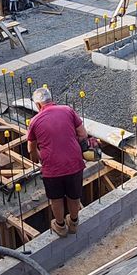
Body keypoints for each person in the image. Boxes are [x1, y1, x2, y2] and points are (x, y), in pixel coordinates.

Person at [26, 87, 89, 237]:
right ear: (51, 100)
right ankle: (73, 223)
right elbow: (83, 134)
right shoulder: (67, 110)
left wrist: (41, 158)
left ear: (38, 105)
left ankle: (60, 226)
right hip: (74, 163)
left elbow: (31, 149)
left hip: (52, 168)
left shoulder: (34, 121)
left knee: (56, 198)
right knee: (74, 195)